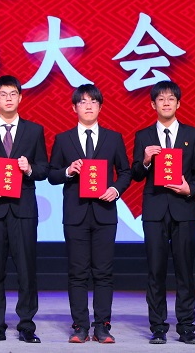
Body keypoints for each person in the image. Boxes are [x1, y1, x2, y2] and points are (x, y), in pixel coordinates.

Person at [49, 84, 131, 344]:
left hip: (105, 213)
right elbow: (51, 174)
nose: (88, 106)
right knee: (77, 272)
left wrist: (115, 190)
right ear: (74, 107)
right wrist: (68, 171)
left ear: (100, 107)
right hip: (75, 214)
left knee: (104, 272)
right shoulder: (63, 139)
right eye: (83, 102)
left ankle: (102, 325)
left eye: (93, 102)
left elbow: (125, 172)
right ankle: (80, 326)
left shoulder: (113, 138)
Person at [0, 75, 49, 344]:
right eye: (2, 94)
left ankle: (26, 324)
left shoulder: (34, 131)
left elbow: (44, 168)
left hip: (23, 209)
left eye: (13, 93)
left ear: (20, 97)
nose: (8, 98)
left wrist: (29, 169)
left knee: (26, 270)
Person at [131, 80, 195, 345]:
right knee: (156, 270)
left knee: (185, 270)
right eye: (161, 99)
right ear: (153, 104)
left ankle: (186, 327)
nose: (166, 103)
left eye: (171, 98)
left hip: (184, 209)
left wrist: (189, 189)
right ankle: (158, 327)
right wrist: (145, 161)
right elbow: (136, 174)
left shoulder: (193, 135)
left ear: (178, 103)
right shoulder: (143, 136)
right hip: (154, 210)